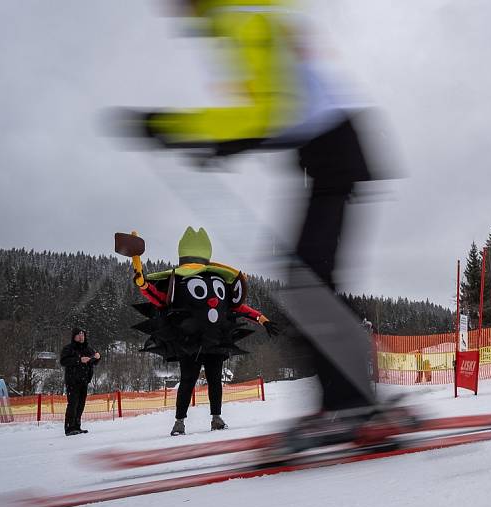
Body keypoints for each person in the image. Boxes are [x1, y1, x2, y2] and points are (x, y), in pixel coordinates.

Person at [115, 0, 395, 446]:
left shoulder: (244, 19)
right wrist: (221, 144)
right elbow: (269, 114)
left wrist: (176, 127)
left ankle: (354, 404)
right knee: (308, 285)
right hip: (328, 158)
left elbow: (269, 113)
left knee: (309, 287)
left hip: (335, 156)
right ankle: (347, 402)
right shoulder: (240, 19)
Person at [130, 226, 278, 435]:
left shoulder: (216, 282)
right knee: (188, 380)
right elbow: (158, 297)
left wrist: (262, 319)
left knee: (214, 380)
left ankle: (216, 418)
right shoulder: (180, 282)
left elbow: (237, 307)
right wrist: (143, 282)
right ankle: (179, 421)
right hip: (189, 341)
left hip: (215, 341)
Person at [59, 328, 100, 436]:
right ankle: (69, 428)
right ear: (74, 336)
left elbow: (94, 362)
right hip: (72, 381)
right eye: (79, 334)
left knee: (81, 405)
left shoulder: (88, 348)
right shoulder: (69, 348)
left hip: (84, 381)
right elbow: (63, 361)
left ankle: (77, 426)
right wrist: (79, 360)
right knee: (72, 404)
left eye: (83, 334)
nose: (81, 336)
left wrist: (97, 357)